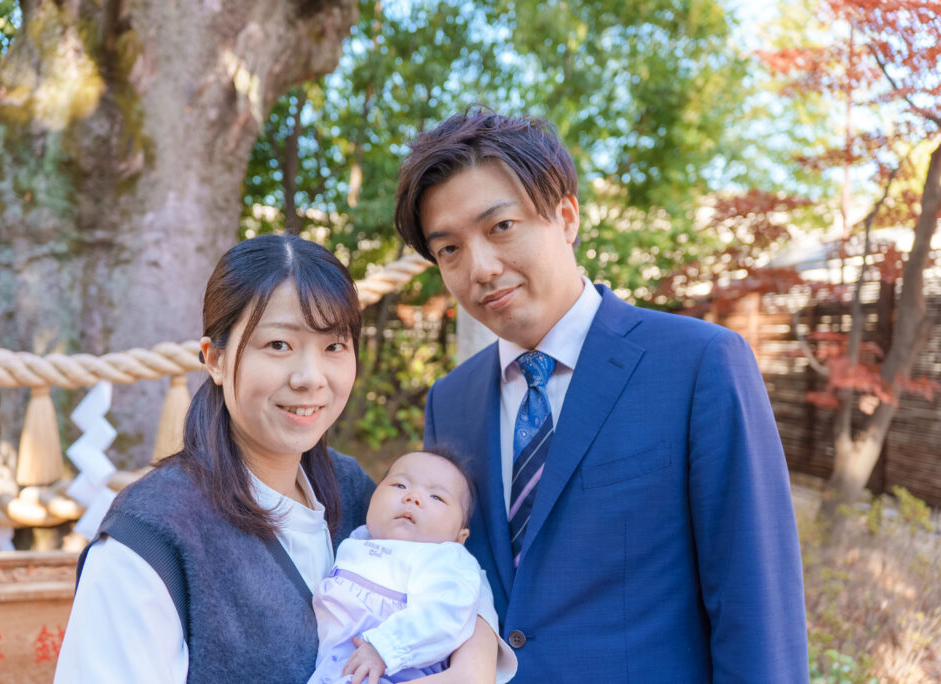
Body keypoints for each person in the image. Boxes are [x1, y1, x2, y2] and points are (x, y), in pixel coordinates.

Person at [393, 110, 809, 682]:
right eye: (449, 250)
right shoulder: (450, 402)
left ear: (566, 217)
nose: (480, 268)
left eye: (501, 226)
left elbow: (758, 608)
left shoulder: (699, 364)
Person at [55, 234, 506, 683]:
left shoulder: (353, 490)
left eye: (334, 346)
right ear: (215, 359)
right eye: (278, 345)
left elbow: (450, 569)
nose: (310, 377)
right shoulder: (152, 534)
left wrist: (475, 665)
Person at [310, 449, 516, 684]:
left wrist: (385, 648)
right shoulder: (355, 542)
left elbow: (446, 613)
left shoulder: (445, 560)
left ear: (460, 537)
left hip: (394, 672)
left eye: (436, 497)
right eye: (400, 485)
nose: (413, 497)